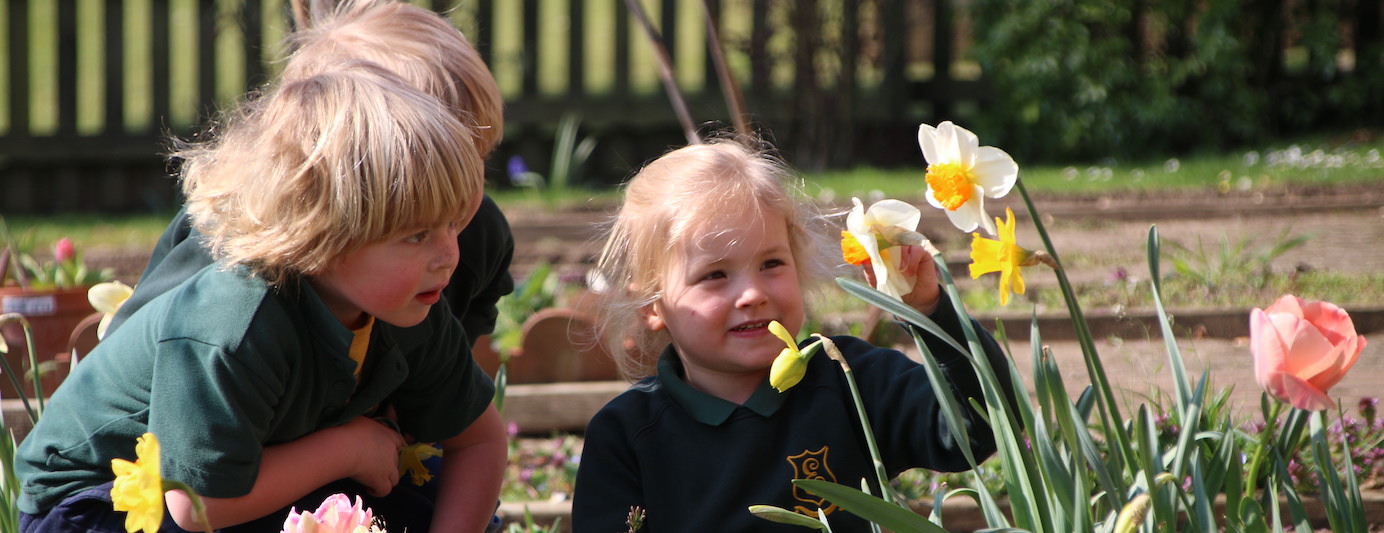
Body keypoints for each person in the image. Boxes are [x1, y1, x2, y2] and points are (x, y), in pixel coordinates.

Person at [16, 61, 505, 532]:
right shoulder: (235, 322)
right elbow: (197, 504)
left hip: (249, 483)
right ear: (320, 237)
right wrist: (348, 450)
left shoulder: (410, 310)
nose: (450, 256)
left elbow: (479, 441)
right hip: (99, 503)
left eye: (453, 225)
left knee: (438, 505)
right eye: (417, 235)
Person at [570, 139, 1017, 532]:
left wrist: (930, 314)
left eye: (771, 264)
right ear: (653, 307)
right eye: (714, 275)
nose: (751, 293)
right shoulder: (628, 434)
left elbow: (978, 429)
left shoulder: (849, 380)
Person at [106, 0, 513, 345]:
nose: (458, 189)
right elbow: (142, 354)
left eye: (475, 158)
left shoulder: (479, 237)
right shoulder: (244, 248)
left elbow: (460, 375)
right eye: (427, 170)